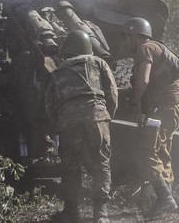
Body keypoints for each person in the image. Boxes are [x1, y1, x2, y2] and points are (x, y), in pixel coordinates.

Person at [45, 30, 118, 223]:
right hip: (97, 116)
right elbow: (112, 92)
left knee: (70, 166)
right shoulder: (98, 62)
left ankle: (71, 213)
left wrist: (58, 124)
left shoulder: (57, 72)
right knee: (101, 163)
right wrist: (105, 115)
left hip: (68, 122)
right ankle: (101, 215)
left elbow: (50, 104)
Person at [122, 17, 179, 219]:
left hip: (165, 107)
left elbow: (142, 81)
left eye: (127, 37)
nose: (125, 42)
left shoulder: (145, 48)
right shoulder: (160, 47)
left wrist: (134, 101)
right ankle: (166, 203)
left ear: (135, 35)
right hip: (177, 106)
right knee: (162, 152)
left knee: (146, 153)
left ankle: (165, 199)